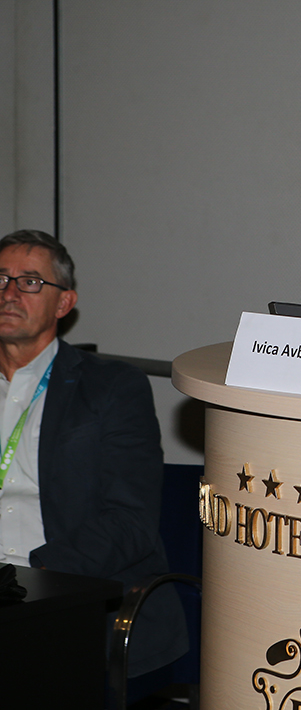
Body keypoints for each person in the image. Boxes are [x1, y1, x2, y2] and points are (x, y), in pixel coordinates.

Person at [0, 229, 186, 676]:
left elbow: (130, 523)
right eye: (0, 279)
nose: (9, 293)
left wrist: (33, 573)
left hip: (59, 587)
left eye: (30, 282)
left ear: (64, 304)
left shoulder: (112, 388)